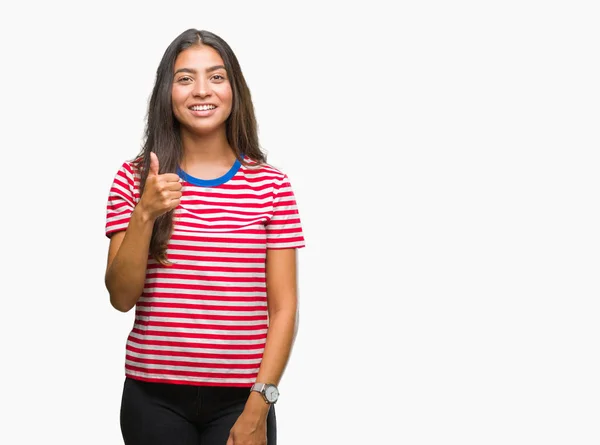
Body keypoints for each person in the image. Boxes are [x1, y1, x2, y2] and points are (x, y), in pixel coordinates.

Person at [104, 28, 305, 445]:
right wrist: (145, 212)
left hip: (240, 401)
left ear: (234, 89)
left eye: (216, 77)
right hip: (152, 397)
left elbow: (283, 308)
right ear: (167, 92)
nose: (201, 91)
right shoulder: (134, 179)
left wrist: (258, 407)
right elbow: (121, 297)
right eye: (184, 78)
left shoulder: (271, 186)